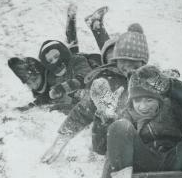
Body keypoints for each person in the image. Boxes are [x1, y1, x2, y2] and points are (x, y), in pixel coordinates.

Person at [41, 23, 149, 163]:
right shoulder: (108, 83)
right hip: (114, 146)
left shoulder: (150, 80)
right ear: (115, 61)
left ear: (143, 63)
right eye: (122, 60)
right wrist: (59, 143)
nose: (127, 66)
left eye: (133, 62)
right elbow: (82, 112)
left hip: (147, 144)